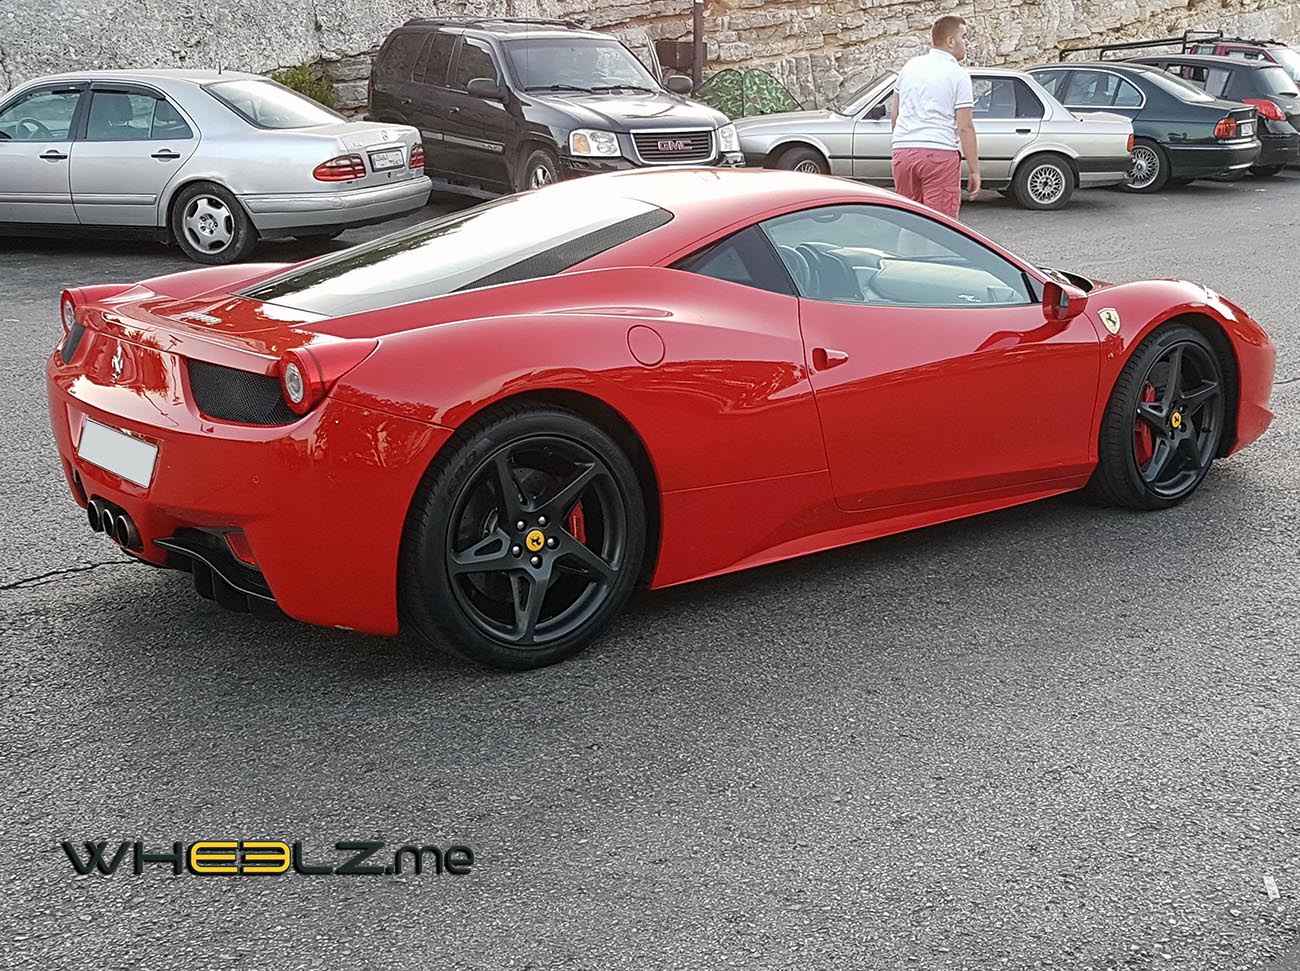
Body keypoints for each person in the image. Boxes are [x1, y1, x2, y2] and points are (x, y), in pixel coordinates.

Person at [890, 15, 980, 220]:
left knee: (909, 219)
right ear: (950, 41)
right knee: (941, 225)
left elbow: (895, 113)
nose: (966, 43)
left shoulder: (910, 66)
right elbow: (965, 127)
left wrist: (905, 140)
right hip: (939, 153)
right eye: (963, 37)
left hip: (903, 152)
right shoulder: (958, 75)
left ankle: (906, 253)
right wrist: (974, 170)